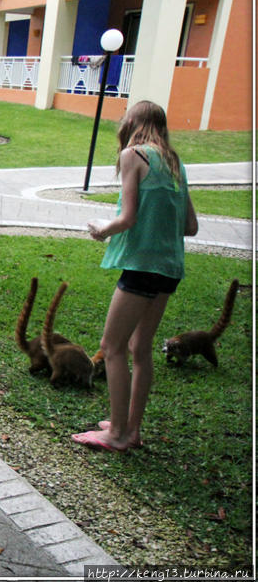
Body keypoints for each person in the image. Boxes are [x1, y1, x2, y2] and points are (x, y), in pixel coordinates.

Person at [73, 100, 198, 452]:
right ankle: (130, 428)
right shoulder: (175, 163)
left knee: (112, 347)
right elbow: (190, 226)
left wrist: (102, 228)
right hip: (169, 269)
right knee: (140, 348)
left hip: (142, 268)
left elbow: (126, 218)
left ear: (132, 123)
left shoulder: (135, 156)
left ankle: (116, 435)